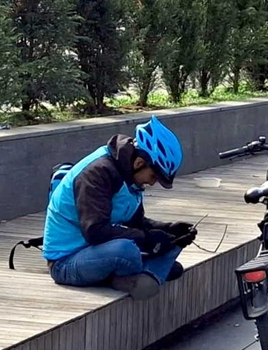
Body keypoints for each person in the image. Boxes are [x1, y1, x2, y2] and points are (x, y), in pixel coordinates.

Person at [42, 116, 198, 300]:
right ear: (140, 163)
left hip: (96, 251)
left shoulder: (130, 176)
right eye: (154, 176)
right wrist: (148, 239)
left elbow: (136, 222)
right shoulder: (97, 174)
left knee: (173, 242)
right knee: (126, 250)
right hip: (66, 262)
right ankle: (146, 273)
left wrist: (168, 229)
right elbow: (96, 231)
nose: (153, 183)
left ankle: (144, 274)